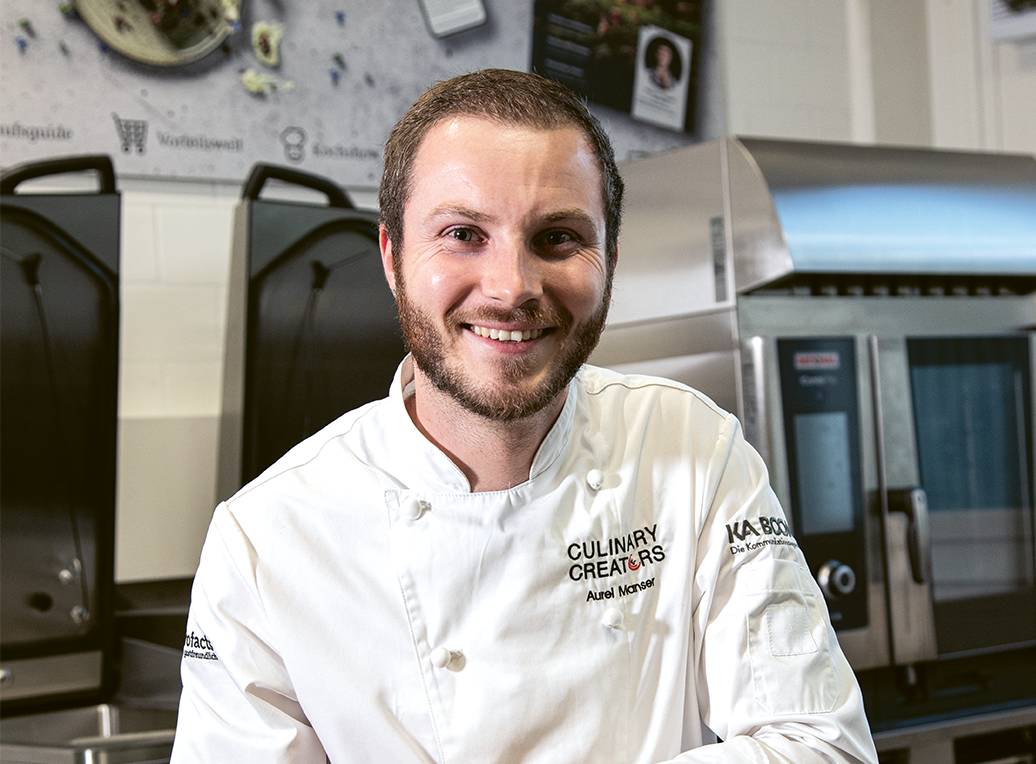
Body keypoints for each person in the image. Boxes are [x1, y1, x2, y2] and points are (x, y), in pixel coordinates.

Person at [171, 68, 877, 763]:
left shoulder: (693, 449)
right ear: (392, 256)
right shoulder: (265, 540)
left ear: (610, 260)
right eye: (462, 233)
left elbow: (822, 746)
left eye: (558, 238)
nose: (512, 288)